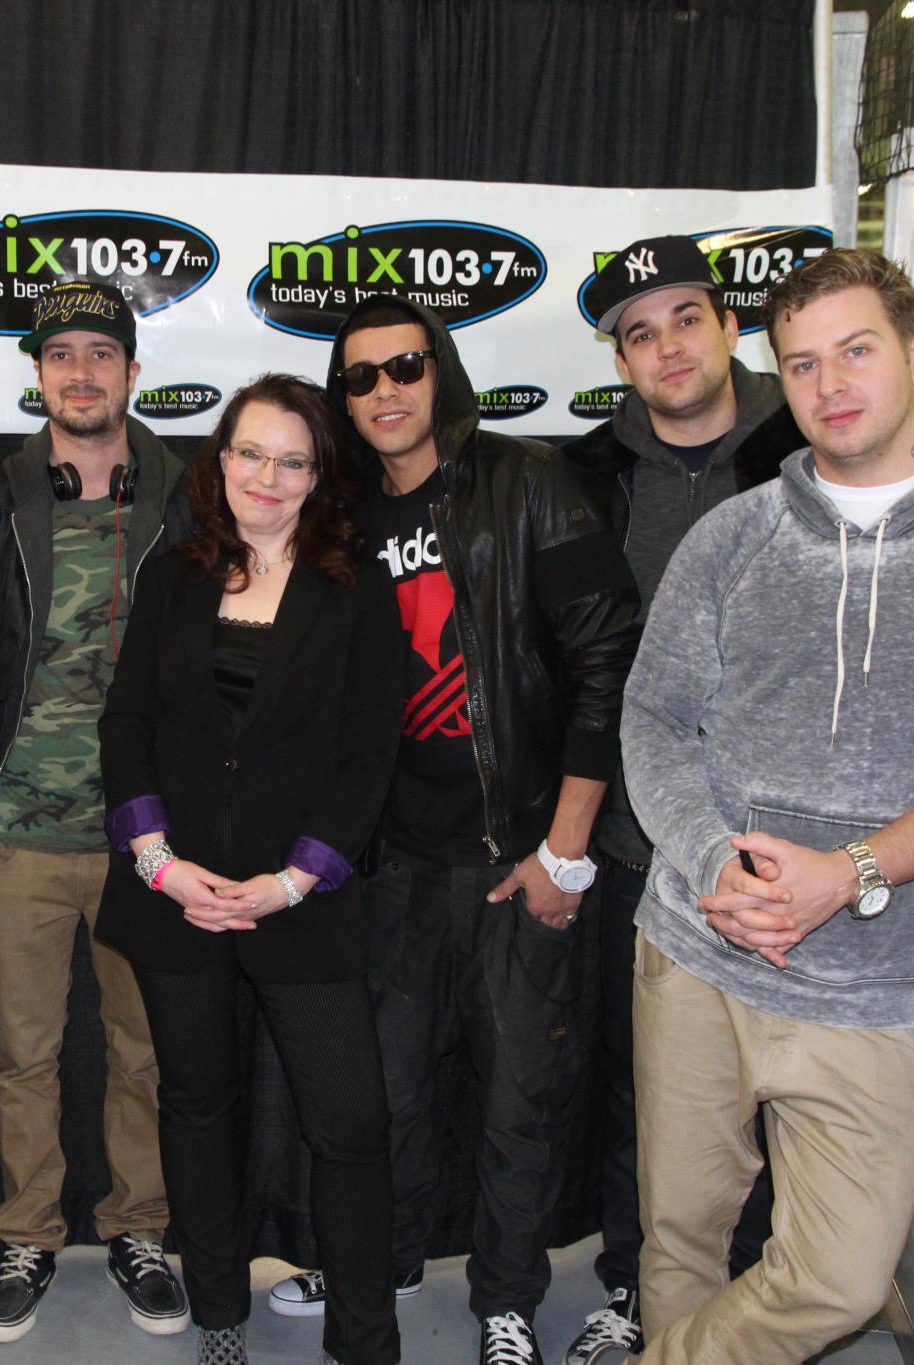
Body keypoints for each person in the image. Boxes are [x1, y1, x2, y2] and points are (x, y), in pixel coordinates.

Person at [609, 249, 914, 1363]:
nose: (830, 384)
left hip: (868, 981)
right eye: (803, 362)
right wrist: (714, 862)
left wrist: (848, 874)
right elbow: (654, 721)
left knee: (839, 1277)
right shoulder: (731, 538)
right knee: (679, 1239)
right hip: (697, 946)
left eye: (856, 351)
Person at [270, 296, 642, 1365]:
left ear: (440, 372)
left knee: (520, 1100)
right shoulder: (336, 517)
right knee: (380, 1094)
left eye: (404, 367)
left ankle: (507, 1301)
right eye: (360, 377)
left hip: (516, 858)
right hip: (390, 866)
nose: (384, 391)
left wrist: (564, 849)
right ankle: (376, 1259)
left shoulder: (527, 485)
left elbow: (608, 664)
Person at [98, 375, 405, 1365]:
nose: (266, 477)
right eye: (250, 453)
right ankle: (219, 1317)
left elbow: (369, 753)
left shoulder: (355, 588)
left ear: (319, 475)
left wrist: (293, 880)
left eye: (291, 460)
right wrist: (159, 864)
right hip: (179, 902)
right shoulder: (173, 575)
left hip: (302, 903)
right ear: (219, 460)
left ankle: (364, 1340)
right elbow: (127, 725)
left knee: (349, 1124)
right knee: (197, 1110)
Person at [0, 280, 192, 1344]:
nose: (81, 373)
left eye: (100, 353)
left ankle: (139, 1228)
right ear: (38, 375)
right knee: (21, 1054)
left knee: (147, 1053)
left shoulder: (192, 496)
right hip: (20, 839)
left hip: (152, 840)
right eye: (61, 355)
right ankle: (28, 1233)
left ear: (132, 370)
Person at [557, 235, 799, 1364]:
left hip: (785, 849)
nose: (666, 348)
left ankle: (757, 1296)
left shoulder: (806, 450)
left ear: (729, 327)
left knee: (781, 1091)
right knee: (644, 1085)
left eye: (685, 319)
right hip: (635, 841)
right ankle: (634, 1282)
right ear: (620, 361)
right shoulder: (587, 475)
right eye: (639, 334)